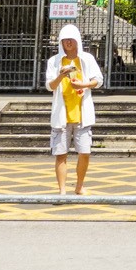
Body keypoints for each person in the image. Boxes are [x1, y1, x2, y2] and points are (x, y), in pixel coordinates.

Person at [46, 23, 103, 195]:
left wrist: (83, 84)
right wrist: (60, 75)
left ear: (77, 40)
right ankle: (62, 189)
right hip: (61, 114)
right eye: (65, 40)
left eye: (71, 39)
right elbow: (50, 86)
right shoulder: (54, 61)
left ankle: (79, 185)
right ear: (61, 43)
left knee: (85, 152)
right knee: (60, 154)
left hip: (82, 113)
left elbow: (98, 80)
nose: (68, 43)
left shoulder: (87, 59)